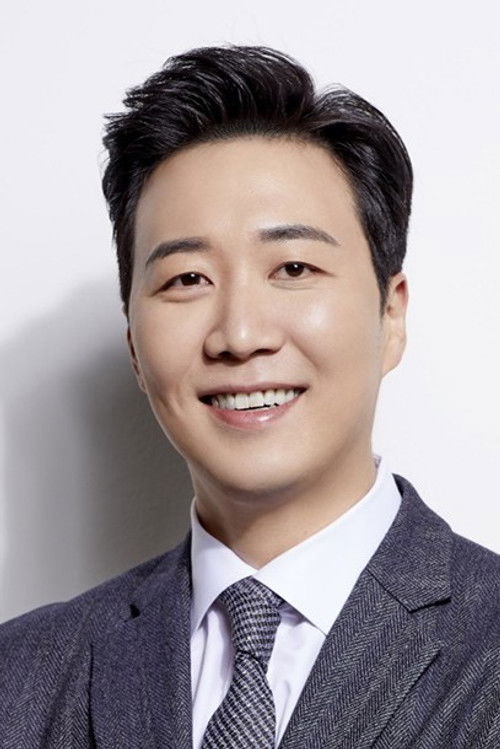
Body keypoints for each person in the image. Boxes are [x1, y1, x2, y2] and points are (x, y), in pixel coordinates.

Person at [0, 44, 498, 749]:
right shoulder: (20, 677)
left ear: (391, 317)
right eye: (187, 279)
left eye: (292, 267)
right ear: (135, 347)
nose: (239, 335)